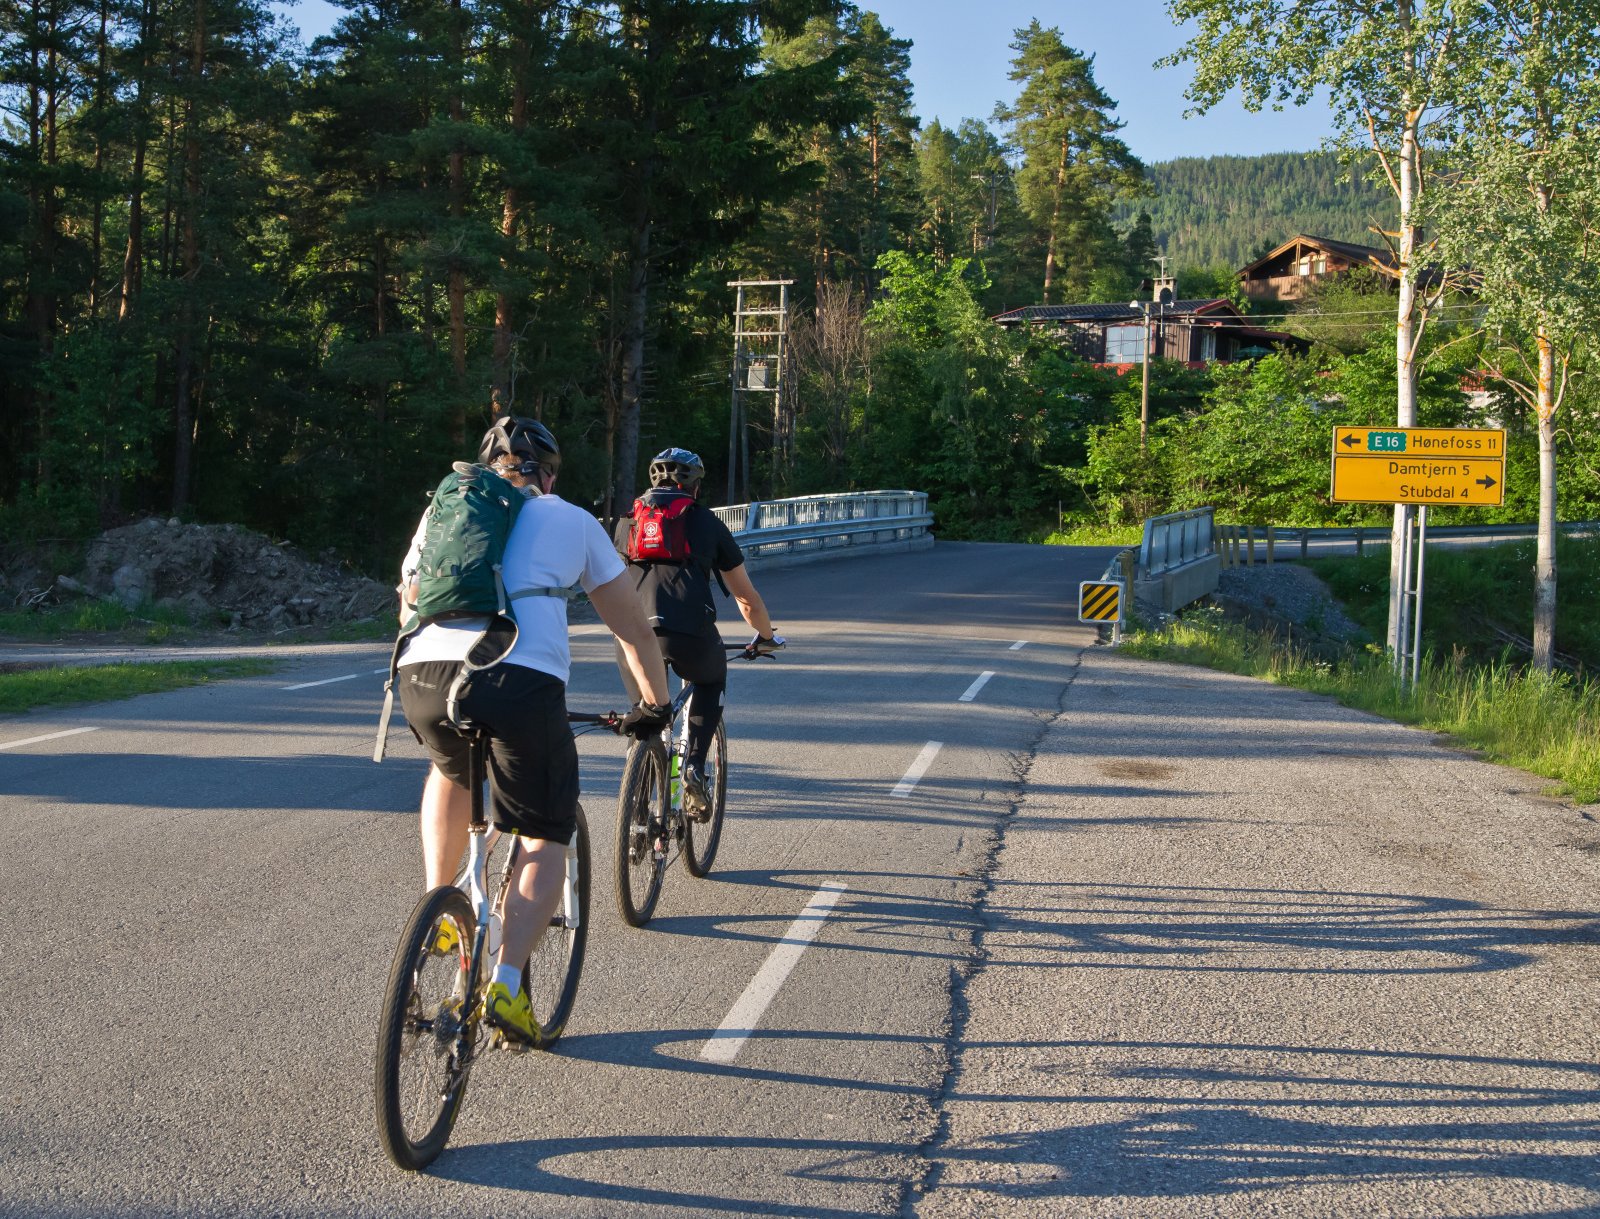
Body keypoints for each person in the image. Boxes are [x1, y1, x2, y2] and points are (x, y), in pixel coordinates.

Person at [396, 415, 670, 1047]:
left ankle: (443, 906)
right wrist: (654, 704)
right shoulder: (570, 519)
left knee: (448, 768)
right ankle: (509, 985)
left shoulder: (444, 512)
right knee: (546, 831)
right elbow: (630, 626)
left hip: (423, 673)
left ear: (488, 464)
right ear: (546, 473)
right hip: (515, 676)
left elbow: (409, 600)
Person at [612, 446, 783, 820]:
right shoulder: (706, 523)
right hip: (689, 632)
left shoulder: (627, 523)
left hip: (632, 634)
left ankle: (638, 793)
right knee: (709, 678)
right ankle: (692, 766)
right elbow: (746, 597)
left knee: (647, 711)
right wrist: (766, 635)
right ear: (695, 488)